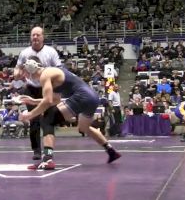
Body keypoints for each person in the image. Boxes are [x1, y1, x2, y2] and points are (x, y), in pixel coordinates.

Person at [18, 56, 121, 170]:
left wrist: (30, 114)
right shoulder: (51, 73)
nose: (24, 75)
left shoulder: (45, 75)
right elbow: (55, 100)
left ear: (31, 67)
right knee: (83, 128)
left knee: (48, 118)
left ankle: (48, 159)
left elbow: (48, 101)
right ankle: (111, 151)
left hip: (82, 96)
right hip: (92, 97)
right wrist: (32, 101)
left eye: (25, 71)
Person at [13, 26, 62, 160]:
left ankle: (48, 150)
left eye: (38, 35)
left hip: (47, 87)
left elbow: (59, 69)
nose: (35, 37)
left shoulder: (50, 52)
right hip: (31, 88)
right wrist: (17, 74)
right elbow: (17, 69)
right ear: (30, 37)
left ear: (43, 37)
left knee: (48, 119)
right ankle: (36, 150)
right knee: (33, 119)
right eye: (33, 35)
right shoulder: (24, 53)